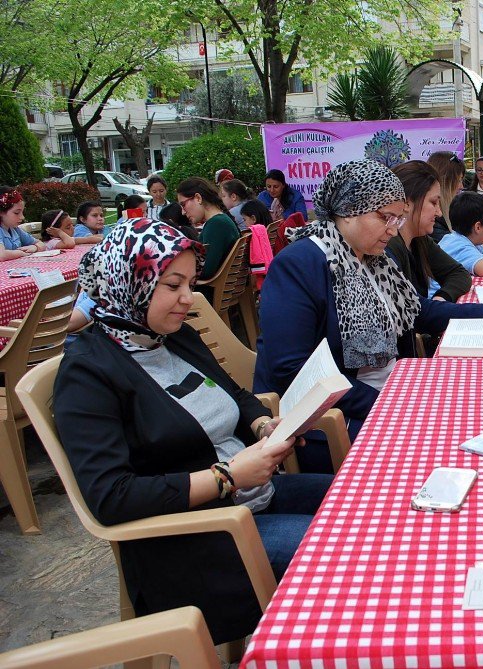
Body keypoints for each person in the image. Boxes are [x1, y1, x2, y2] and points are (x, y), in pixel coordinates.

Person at [53, 219, 333, 644]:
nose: (189, 298)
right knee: (352, 552)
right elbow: (111, 496)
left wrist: (262, 424)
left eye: (191, 282)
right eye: (172, 285)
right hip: (195, 540)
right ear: (130, 282)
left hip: (251, 499)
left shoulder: (171, 336)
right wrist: (227, 476)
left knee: (367, 498)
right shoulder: (88, 373)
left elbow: (235, 394)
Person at [254, 160, 483, 471]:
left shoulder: (372, 258)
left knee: (476, 406)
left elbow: (416, 309)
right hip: (327, 423)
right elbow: (294, 369)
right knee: (449, 444)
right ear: (348, 209)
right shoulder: (301, 264)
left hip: (382, 395)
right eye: (385, 218)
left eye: (398, 218)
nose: (394, 229)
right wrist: (390, 403)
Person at [387, 161, 472, 303]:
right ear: (407, 203)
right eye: (433, 202)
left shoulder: (420, 239)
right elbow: (415, 310)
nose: (438, 212)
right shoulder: (390, 245)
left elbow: (458, 273)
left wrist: (442, 298)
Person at [176, 177, 241, 279]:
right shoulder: (221, 220)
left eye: (183, 205)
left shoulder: (216, 225)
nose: (183, 212)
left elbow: (205, 271)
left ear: (198, 198)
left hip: (209, 291)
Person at [426, 151, 466, 242]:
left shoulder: (449, 212)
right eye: (459, 180)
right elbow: (455, 249)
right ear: (445, 182)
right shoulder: (433, 220)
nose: (461, 186)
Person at [0, 187, 45, 259]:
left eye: (22, 212)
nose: (22, 217)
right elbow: (1, 255)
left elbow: (41, 244)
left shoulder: (15, 230)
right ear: (1, 212)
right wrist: (20, 253)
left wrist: (35, 247)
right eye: (16, 213)